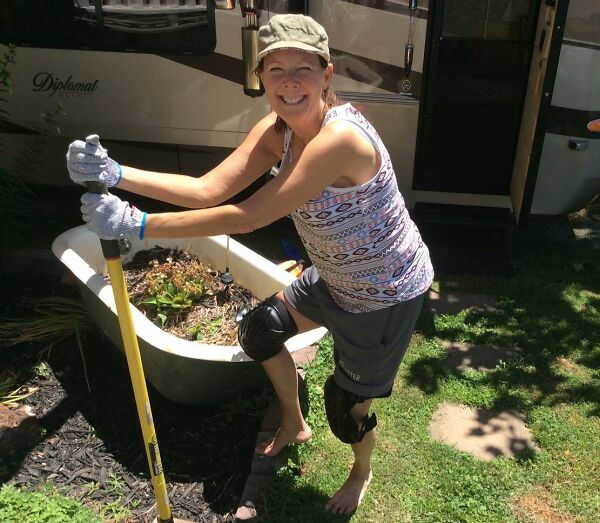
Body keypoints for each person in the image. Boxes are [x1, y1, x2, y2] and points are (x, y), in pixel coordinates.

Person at [66, 14, 433, 515]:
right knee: (259, 332)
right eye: (275, 68)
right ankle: (291, 422)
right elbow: (209, 189)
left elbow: (248, 216)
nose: (289, 81)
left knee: (347, 412)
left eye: (303, 68)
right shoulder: (277, 130)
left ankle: (361, 470)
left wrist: (136, 224)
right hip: (331, 276)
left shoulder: (339, 139)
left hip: (383, 294)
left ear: (327, 75)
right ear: (261, 78)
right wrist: (118, 172)